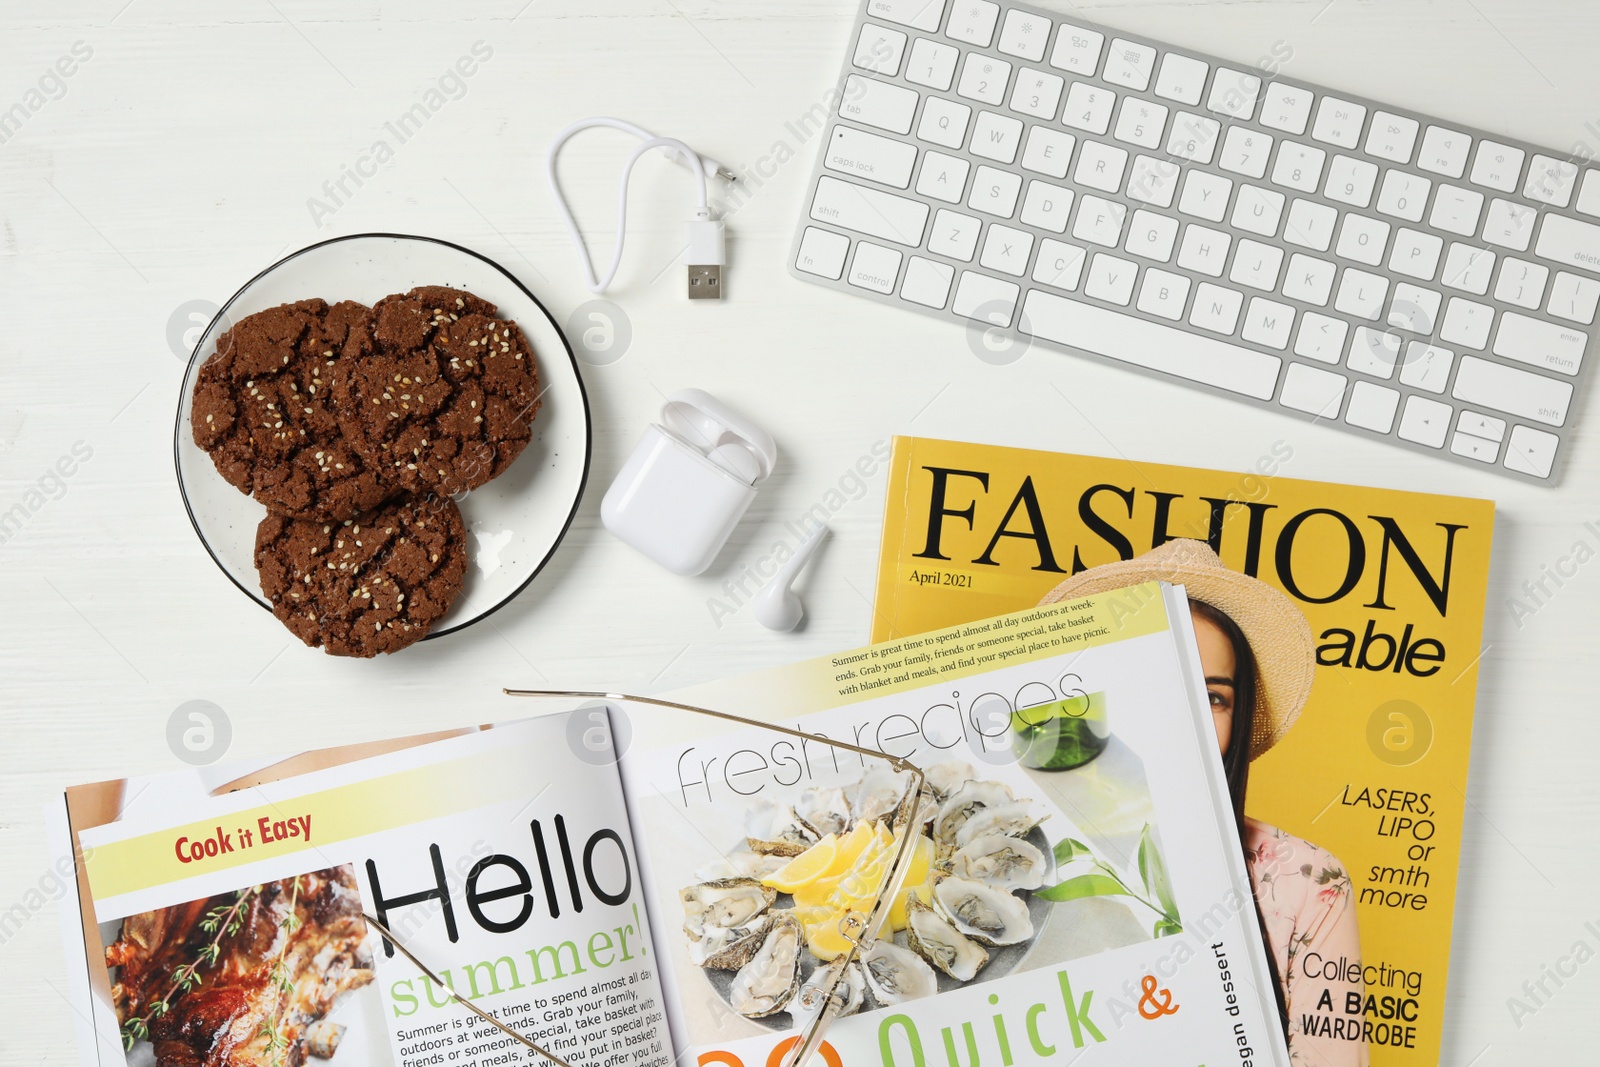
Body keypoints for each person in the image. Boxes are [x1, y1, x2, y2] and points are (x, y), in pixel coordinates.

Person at [1040, 538, 1369, 1067]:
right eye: (1158, 681)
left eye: (1214, 696)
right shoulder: (1026, 857)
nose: (1183, 712)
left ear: (1237, 721)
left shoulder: (1306, 881)